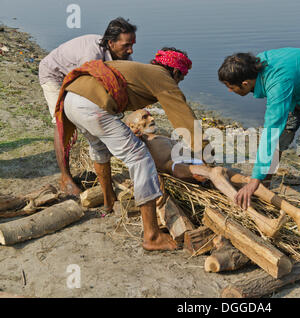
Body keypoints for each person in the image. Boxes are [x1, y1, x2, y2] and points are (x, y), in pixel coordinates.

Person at [54, 47, 202, 251]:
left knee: (99, 148)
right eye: (180, 78)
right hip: (92, 105)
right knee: (140, 158)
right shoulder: (162, 77)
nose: (178, 83)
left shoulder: (144, 71)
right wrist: (205, 154)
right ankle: (152, 236)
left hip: (72, 99)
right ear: (176, 72)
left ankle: (108, 201)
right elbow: (185, 118)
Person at [124, 109, 300, 237]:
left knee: (249, 181)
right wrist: (133, 134)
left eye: (150, 114)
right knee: (216, 173)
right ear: (133, 125)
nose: (151, 117)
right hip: (175, 166)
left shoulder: (159, 134)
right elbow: (131, 154)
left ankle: (298, 214)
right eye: (144, 116)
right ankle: (261, 220)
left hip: (189, 160)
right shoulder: (139, 142)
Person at [218, 48, 300, 210]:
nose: (229, 90)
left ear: (245, 83)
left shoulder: (277, 84)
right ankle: (264, 189)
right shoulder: (252, 67)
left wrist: (253, 179)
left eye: (231, 86)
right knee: (278, 143)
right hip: (295, 89)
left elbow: (271, 131)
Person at [39, 17, 137, 196]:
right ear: (111, 43)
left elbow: (126, 83)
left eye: (132, 44)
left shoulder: (124, 55)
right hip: (55, 75)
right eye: (126, 45)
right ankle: (65, 178)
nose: (130, 50)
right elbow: (87, 92)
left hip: (77, 78)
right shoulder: (91, 56)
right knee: (62, 121)